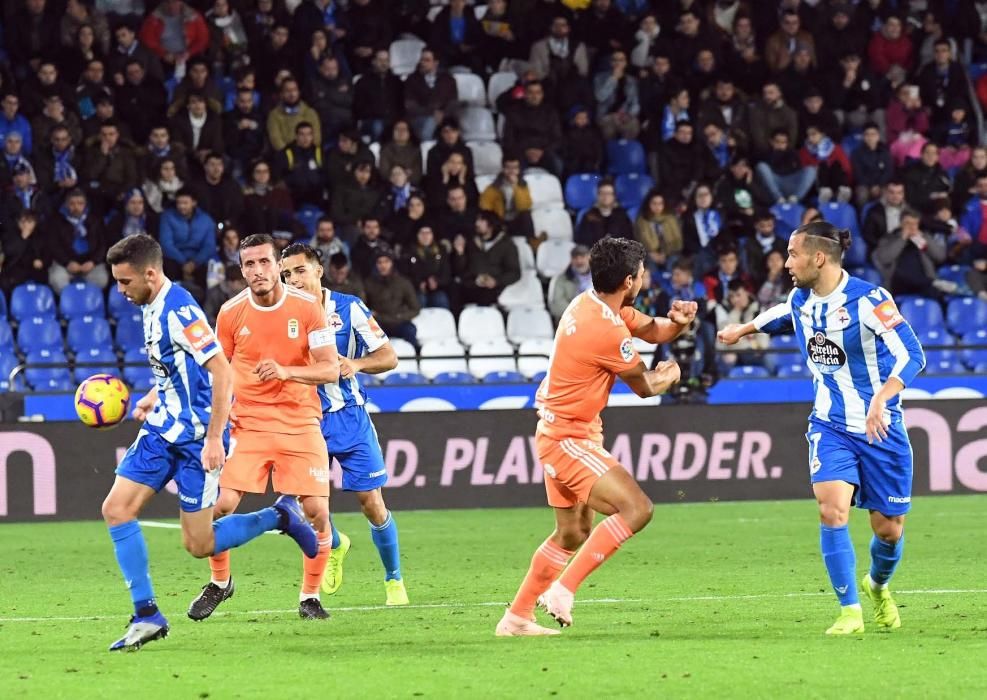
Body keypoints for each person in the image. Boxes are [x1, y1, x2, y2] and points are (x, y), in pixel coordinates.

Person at [100, 233, 318, 651]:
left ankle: (280, 517)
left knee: (198, 545)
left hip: (196, 440)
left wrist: (216, 437)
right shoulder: (148, 304)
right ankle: (146, 615)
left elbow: (222, 370)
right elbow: (174, 366)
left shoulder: (179, 309)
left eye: (125, 282)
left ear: (149, 273)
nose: (120, 290)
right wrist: (153, 395)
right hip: (162, 430)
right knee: (115, 509)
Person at [717, 221, 925, 635]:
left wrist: (882, 398)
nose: (786, 263)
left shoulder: (870, 300)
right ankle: (850, 612)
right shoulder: (801, 300)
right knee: (832, 509)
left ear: (818, 257)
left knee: (888, 530)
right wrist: (744, 329)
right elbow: (780, 314)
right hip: (830, 425)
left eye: (793, 255)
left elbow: (912, 353)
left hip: (879, 428)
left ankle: (877, 586)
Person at [495, 237, 695, 636]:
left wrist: (678, 323)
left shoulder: (592, 304)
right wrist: (671, 375)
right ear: (628, 280)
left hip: (561, 430)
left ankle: (516, 617)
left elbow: (652, 329)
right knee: (637, 509)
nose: (644, 279)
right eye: (640, 274)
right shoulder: (605, 328)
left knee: (572, 532)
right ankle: (563, 590)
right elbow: (646, 387)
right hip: (569, 437)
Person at [188, 233, 340, 622]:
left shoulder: (309, 308)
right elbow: (215, 370)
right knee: (219, 507)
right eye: (249, 265)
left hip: (300, 421)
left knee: (317, 512)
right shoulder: (230, 313)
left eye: (264, 262)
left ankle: (310, 596)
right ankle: (221, 583)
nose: (257, 271)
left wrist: (287, 370)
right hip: (248, 424)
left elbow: (330, 368)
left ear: (278, 266)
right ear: (241, 270)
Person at [281, 243, 410, 605]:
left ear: (319, 270)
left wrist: (356, 364)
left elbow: (389, 357)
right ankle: (335, 544)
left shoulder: (349, 307)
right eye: (287, 274)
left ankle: (394, 580)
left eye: (300, 271)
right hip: (305, 420)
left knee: (372, 503)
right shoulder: (280, 315)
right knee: (304, 506)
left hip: (350, 417)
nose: (293, 280)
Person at [547, 243, 591, 323]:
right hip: (570, 322)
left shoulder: (598, 277)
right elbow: (556, 305)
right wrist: (577, 313)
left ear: (589, 257)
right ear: (571, 260)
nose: (579, 261)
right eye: (575, 258)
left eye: (582, 257)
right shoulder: (560, 280)